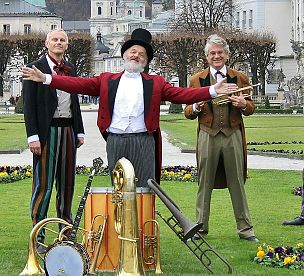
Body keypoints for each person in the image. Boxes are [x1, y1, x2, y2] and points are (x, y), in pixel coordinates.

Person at [22, 28, 236, 188]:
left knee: (145, 187)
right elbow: (77, 84)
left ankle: (144, 238)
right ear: (124, 55)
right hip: (115, 140)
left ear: (145, 61)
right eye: (133, 52)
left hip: (143, 141)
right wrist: (47, 78)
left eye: (141, 54)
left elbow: (182, 95)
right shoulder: (107, 79)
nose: (136, 55)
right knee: (119, 188)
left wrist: (212, 91)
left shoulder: (155, 82)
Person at [184, 34, 258, 242]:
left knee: (237, 182)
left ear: (226, 55)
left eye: (220, 52)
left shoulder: (240, 77)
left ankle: (245, 229)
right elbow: (188, 111)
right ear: (206, 56)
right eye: (212, 53)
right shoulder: (196, 79)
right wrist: (197, 106)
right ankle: (199, 228)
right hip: (208, 134)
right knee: (204, 182)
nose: (216, 56)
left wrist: (243, 104)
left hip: (232, 133)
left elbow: (251, 108)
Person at [23, 29, 85, 252]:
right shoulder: (34, 67)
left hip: (68, 130)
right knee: (44, 186)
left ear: (67, 45)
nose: (59, 43)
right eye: (55, 40)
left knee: (67, 185)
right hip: (46, 133)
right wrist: (32, 137)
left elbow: (75, 101)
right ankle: (37, 236)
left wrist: (79, 130)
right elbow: (28, 106)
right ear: (46, 43)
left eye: (63, 40)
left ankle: (66, 234)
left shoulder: (71, 68)